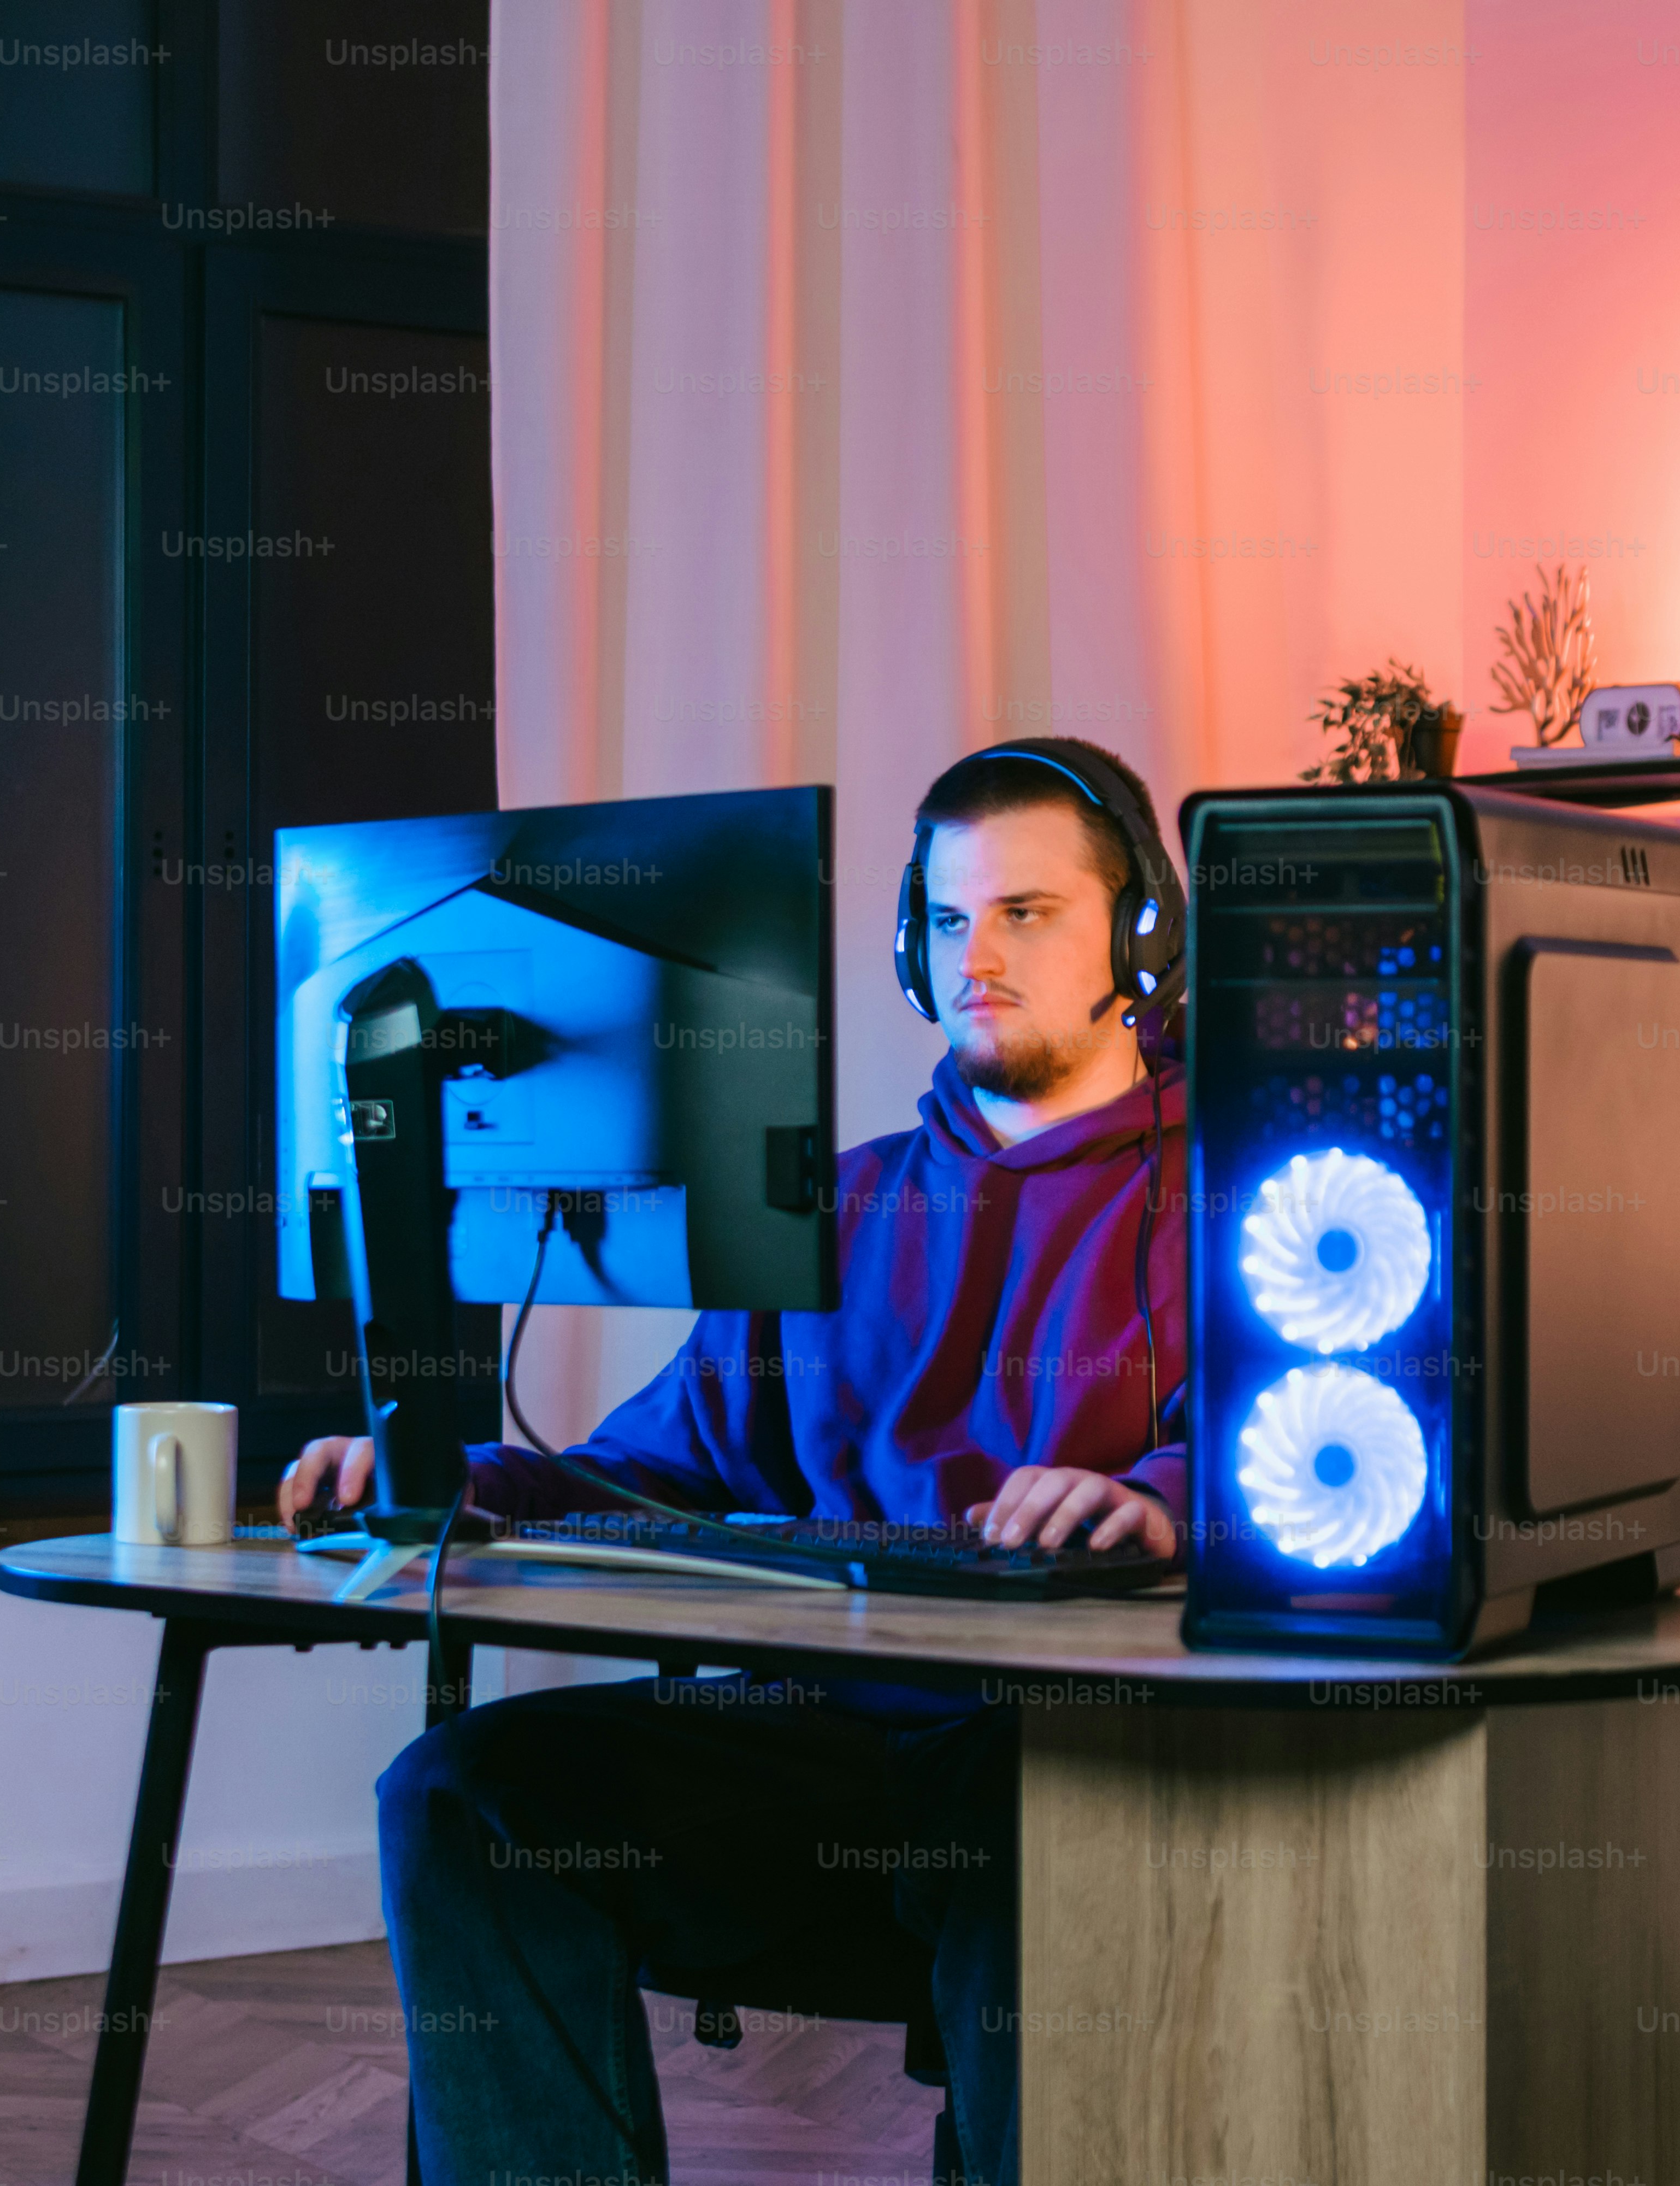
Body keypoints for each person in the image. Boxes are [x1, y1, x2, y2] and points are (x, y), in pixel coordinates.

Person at [277, 737, 1188, 2186]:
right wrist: (445, 1481)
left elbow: (1338, 1461)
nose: (979, 957)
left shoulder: (1257, 1198)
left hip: (1078, 1761)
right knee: (462, 1795)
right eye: (950, 921)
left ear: (1143, 936)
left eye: (1027, 912)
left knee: (1033, 1815)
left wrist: (1156, 1497)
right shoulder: (836, 1205)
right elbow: (665, 1461)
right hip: (827, 1763)